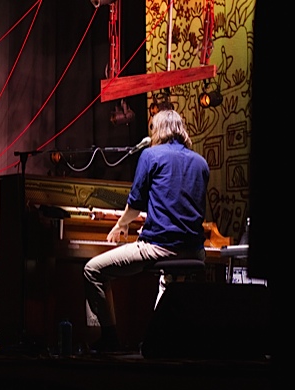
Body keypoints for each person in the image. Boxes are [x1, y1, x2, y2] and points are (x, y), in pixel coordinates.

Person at [83, 109, 209, 352]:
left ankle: (110, 340)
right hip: (195, 251)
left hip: (160, 247)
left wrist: (121, 224)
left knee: (92, 270)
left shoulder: (151, 156)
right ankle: (158, 341)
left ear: (157, 130)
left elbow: (135, 205)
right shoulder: (201, 163)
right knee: (168, 280)